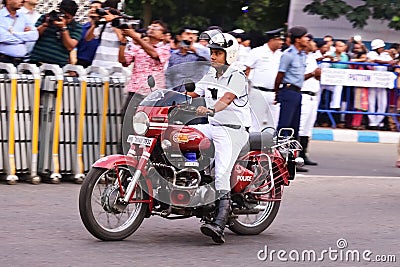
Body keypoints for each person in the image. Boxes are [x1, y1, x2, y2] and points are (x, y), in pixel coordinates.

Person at [187, 31, 250, 244]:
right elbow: (195, 91)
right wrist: (171, 95)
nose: (212, 57)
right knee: (182, 139)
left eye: (217, 53)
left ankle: (220, 223)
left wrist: (211, 109)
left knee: (221, 171)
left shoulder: (237, 76)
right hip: (212, 126)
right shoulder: (211, 74)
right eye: (211, 53)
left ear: (228, 55)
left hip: (232, 130)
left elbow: (227, 98)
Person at [118, 20, 170, 152]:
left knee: (150, 127)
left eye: (156, 28)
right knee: (127, 124)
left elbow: (153, 54)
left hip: (153, 95)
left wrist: (135, 37)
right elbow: (123, 61)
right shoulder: (137, 47)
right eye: (151, 26)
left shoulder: (165, 48)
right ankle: (123, 157)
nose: (152, 29)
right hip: (135, 91)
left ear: (163, 35)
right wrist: (123, 42)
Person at [274, 26, 312, 140]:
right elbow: (280, 75)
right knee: (285, 124)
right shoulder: (288, 54)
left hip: (297, 92)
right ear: (298, 39)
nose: (307, 40)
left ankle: (291, 154)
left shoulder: (302, 55)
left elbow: (299, 77)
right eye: (305, 37)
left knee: (294, 126)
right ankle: (278, 152)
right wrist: (277, 92)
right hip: (288, 91)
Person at [245, 28, 284, 132]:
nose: (282, 42)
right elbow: (247, 69)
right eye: (279, 39)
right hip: (259, 91)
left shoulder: (281, 55)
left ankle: (268, 146)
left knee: (273, 123)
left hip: (275, 93)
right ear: (271, 40)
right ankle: (253, 146)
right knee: (256, 122)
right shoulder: (257, 52)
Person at [29, 0, 82, 67]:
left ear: (73, 16)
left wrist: (64, 28)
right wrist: (45, 24)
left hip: (57, 65)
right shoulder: (46, 18)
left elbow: (70, 46)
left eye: (67, 18)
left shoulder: (77, 27)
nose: (64, 19)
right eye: (63, 15)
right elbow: (33, 36)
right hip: (36, 61)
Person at [298, 34, 321, 171]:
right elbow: (297, 77)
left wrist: (317, 75)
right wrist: (313, 74)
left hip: (313, 95)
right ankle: (296, 157)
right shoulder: (301, 57)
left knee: (307, 127)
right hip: (304, 94)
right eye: (310, 41)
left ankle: (304, 154)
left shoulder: (312, 57)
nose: (312, 44)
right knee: (300, 127)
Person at [85, 0, 125, 71]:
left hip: (114, 67)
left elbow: (122, 39)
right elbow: (88, 38)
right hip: (98, 65)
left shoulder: (123, 23)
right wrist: (95, 24)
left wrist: (113, 21)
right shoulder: (103, 24)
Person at [165, 27, 209, 92]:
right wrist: (170, 91)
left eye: (193, 34)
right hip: (177, 93)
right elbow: (169, 75)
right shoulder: (173, 55)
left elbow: (211, 61)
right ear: (179, 37)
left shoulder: (201, 52)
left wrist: (195, 51)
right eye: (187, 34)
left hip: (195, 93)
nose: (191, 36)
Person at [366, 39, 397, 130]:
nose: (382, 48)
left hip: (383, 81)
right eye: (381, 47)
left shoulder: (385, 55)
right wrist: (386, 62)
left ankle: (379, 121)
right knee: (371, 102)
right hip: (373, 81)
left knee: (383, 102)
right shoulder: (371, 54)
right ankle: (372, 122)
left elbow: (392, 62)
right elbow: (372, 60)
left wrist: (392, 56)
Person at [0, 0, 38, 66]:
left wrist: (14, 33)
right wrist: (25, 38)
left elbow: (34, 35)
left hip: (22, 61)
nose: (22, 0)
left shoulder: (23, 17)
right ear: (8, 1)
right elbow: (3, 37)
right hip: (4, 60)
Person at [75, 0, 103, 68]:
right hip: (81, 63)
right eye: (90, 8)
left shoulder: (105, 29)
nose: (92, 10)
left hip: (99, 65)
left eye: (96, 8)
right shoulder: (82, 28)